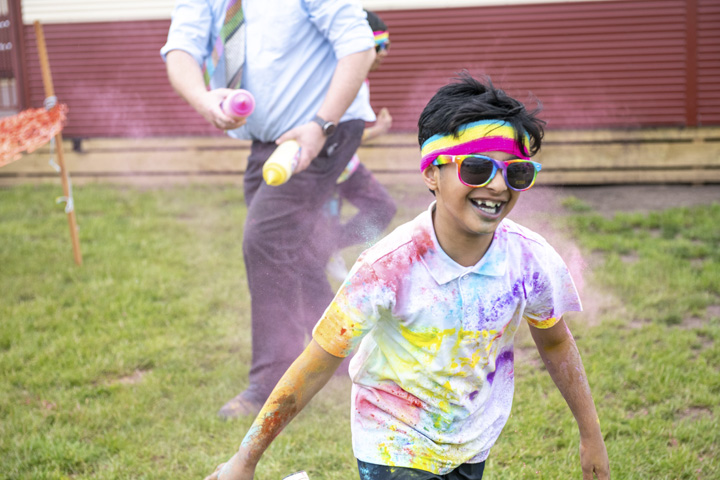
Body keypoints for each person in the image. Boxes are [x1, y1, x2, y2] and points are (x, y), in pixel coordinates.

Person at [203, 73, 611, 480]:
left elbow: (556, 342)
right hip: (391, 439)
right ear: (432, 172)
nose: (498, 186)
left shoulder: (529, 259)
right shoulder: (387, 268)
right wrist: (246, 458)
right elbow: (316, 363)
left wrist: (591, 435)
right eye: (476, 168)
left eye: (516, 173)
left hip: (469, 443)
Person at [160, 0, 377, 418]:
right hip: (268, 142)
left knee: (265, 242)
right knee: (296, 252)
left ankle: (270, 381)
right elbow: (180, 51)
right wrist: (205, 100)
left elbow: (359, 48)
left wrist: (320, 126)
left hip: (321, 129)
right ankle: (341, 353)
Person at [323, 10, 397, 281]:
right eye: (380, 45)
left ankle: (328, 248)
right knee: (316, 232)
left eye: (388, 45)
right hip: (325, 168)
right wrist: (376, 131)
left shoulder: (359, 79)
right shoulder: (338, 77)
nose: (385, 52)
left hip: (345, 164)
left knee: (382, 208)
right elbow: (330, 134)